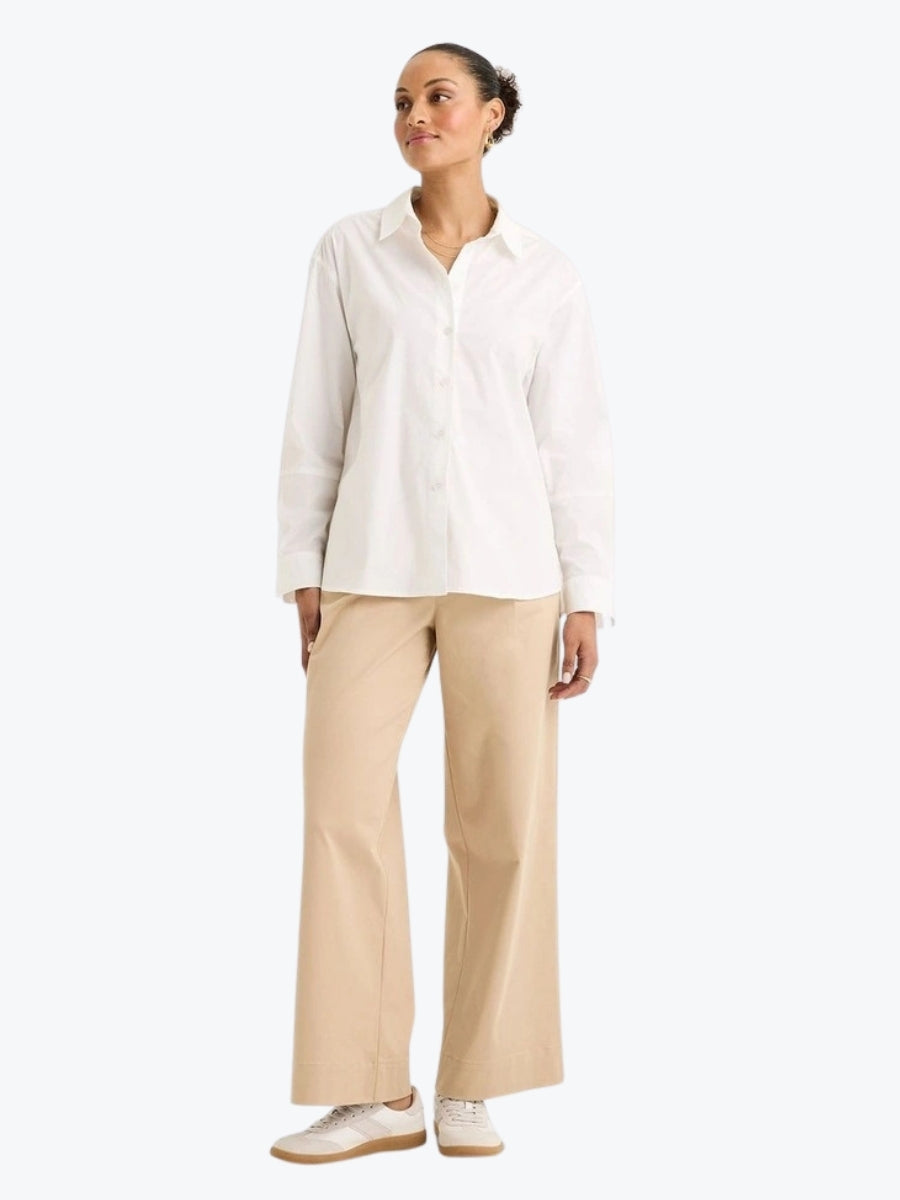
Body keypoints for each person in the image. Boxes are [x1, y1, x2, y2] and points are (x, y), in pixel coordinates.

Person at [269, 41, 616, 1165]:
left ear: (494, 113)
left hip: (512, 574)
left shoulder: (546, 274)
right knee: (341, 809)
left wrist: (588, 592)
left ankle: (473, 1081)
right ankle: (375, 1091)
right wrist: (303, 565)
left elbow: (574, 446)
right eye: (402, 101)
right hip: (371, 565)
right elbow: (316, 417)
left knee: (502, 825)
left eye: (440, 96)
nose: (417, 114)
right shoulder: (350, 252)